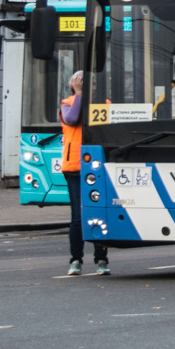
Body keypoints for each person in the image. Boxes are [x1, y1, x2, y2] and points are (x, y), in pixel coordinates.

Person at [60, 71, 108, 276]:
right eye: (83, 83)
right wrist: (80, 95)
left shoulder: (106, 104)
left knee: (100, 214)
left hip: (99, 166)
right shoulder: (67, 103)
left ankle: (102, 260)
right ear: (73, 85)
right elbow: (72, 119)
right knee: (78, 217)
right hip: (75, 167)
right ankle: (76, 260)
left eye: (93, 84)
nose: (91, 87)